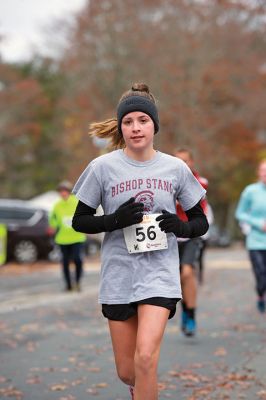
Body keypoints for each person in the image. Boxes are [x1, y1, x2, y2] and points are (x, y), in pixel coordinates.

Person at [72, 83, 209, 400]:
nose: (135, 128)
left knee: (146, 358)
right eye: (128, 121)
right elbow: (80, 220)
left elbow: (200, 221)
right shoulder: (102, 168)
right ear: (120, 127)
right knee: (128, 370)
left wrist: (180, 226)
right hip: (119, 275)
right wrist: (114, 220)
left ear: (154, 125)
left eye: (142, 120)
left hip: (159, 275)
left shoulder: (174, 168)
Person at [175, 148, 209, 336]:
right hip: (171, 237)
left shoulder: (200, 183)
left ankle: (191, 315)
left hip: (192, 235)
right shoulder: (166, 181)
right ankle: (185, 310)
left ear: (191, 162)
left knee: (187, 273)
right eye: (178, 160)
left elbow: (200, 210)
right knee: (177, 278)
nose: (182, 164)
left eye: (185, 161)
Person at [235, 159, 266, 313]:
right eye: (263, 170)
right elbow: (240, 213)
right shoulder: (250, 191)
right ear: (259, 173)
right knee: (261, 276)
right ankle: (260, 294)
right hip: (255, 242)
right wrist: (259, 223)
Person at [49, 181, 86, 292]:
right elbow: (53, 220)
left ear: (69, 192)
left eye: (65, 191)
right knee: (65, 263)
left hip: (77, 237)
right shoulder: (57, 205)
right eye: (61, 191)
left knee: (77, 260)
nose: (63, 193)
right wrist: (53, 226)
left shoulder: (76, 202)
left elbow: (84, 215)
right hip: (63, 239)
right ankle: (68, 285)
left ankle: (78, 282)